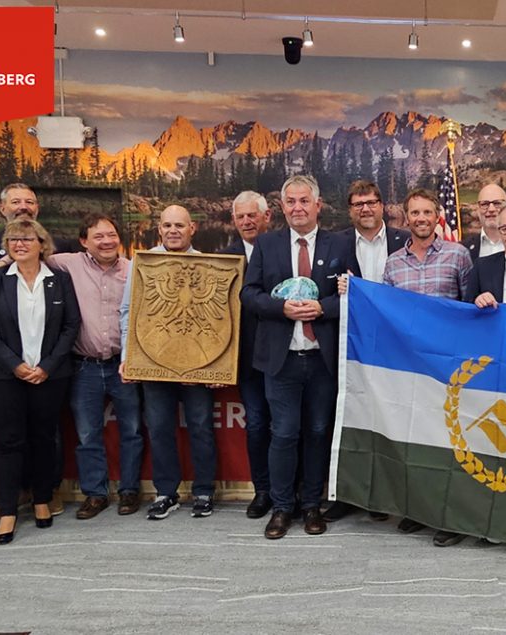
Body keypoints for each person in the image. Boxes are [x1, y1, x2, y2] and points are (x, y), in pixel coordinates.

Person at [240, 175, 356, 540]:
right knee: (284, 433)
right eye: (290, 201)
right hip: (281, 359)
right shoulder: (267, 244)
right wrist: (281, 309)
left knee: (319, 432)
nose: (297, 208)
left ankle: (310, 506)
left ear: (318, 205)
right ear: (282, 207)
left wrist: (323, 308)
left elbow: (354, 293)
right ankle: (281, 507)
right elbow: (249, 294)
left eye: (304, 201)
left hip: (322, 359)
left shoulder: (341, 243)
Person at [0, 183, 77, 520]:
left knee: (44, 438)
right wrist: (14, 365)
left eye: (28, 239)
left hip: (49, 375)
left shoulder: (59, 279)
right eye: (14, 239)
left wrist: (47, 366)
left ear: (42, 244)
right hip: (5, 375)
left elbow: (70, 326)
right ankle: (8, 508)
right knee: (9, 441)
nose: (20, 243)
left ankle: (43, 498)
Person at [380, 187, 473, 547]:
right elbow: (386, 312)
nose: (421, 219)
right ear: (406, 218)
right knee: (416, 440)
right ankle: (420, 510)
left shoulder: (457, 255)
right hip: (409, 368)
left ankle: (451, 516)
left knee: (450, 442)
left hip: (448, 368)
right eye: (414, 213)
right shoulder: (393, 263)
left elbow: (470, 308)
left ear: (437, 216)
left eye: (427, 212)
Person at [119, 205, 219, 521]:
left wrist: (218, 365)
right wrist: (128, 357)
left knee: (201, 427)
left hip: (197, 362)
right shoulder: (143, 263)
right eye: (167, 225)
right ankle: (166, 492)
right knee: (160, 428)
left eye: (179, 225)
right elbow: (129, 312)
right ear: (159, 229)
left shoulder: (210, 264)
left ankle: (204, 491)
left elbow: (219, 320)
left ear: (192, 228)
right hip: (154, 361)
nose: (173, 231)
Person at [46, 214, 143, 519]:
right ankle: (95, 493)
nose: (107, 241)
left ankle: (129, 491)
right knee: (88, 434)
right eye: (98, 236)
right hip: (84, 367)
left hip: (124, 364)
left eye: (111, 235)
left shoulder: (135, 269)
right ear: (84, 241)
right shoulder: (67, 264)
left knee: (132, 431)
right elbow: (26, 256)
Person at [324, 180, 407, 523]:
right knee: (350, 418)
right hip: (351, 345)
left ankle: (384, 496)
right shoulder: (335, 243)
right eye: (358, 204)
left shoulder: (404, 240)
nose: (366, 209)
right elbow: (323, 294)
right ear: (350, 210)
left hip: (395, 348)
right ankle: (347, 494)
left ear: (382, 205)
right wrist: (340, 291)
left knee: (390, 421)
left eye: (371, 202)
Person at [221, 191, 275, 519]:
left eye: (252, 215)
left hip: (283, 355)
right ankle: (262, 490)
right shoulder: (223, 259)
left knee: (287, 427)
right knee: (256, 425)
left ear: (267, 217)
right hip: (246, 361)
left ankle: (289, 490)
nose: (246, 222)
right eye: (240, 217)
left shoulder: (284, 250)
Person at [464, 183, 506, 260]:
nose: (491, 209)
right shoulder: (465, 247)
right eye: (485, 204)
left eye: (497, 203)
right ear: (478, 210)